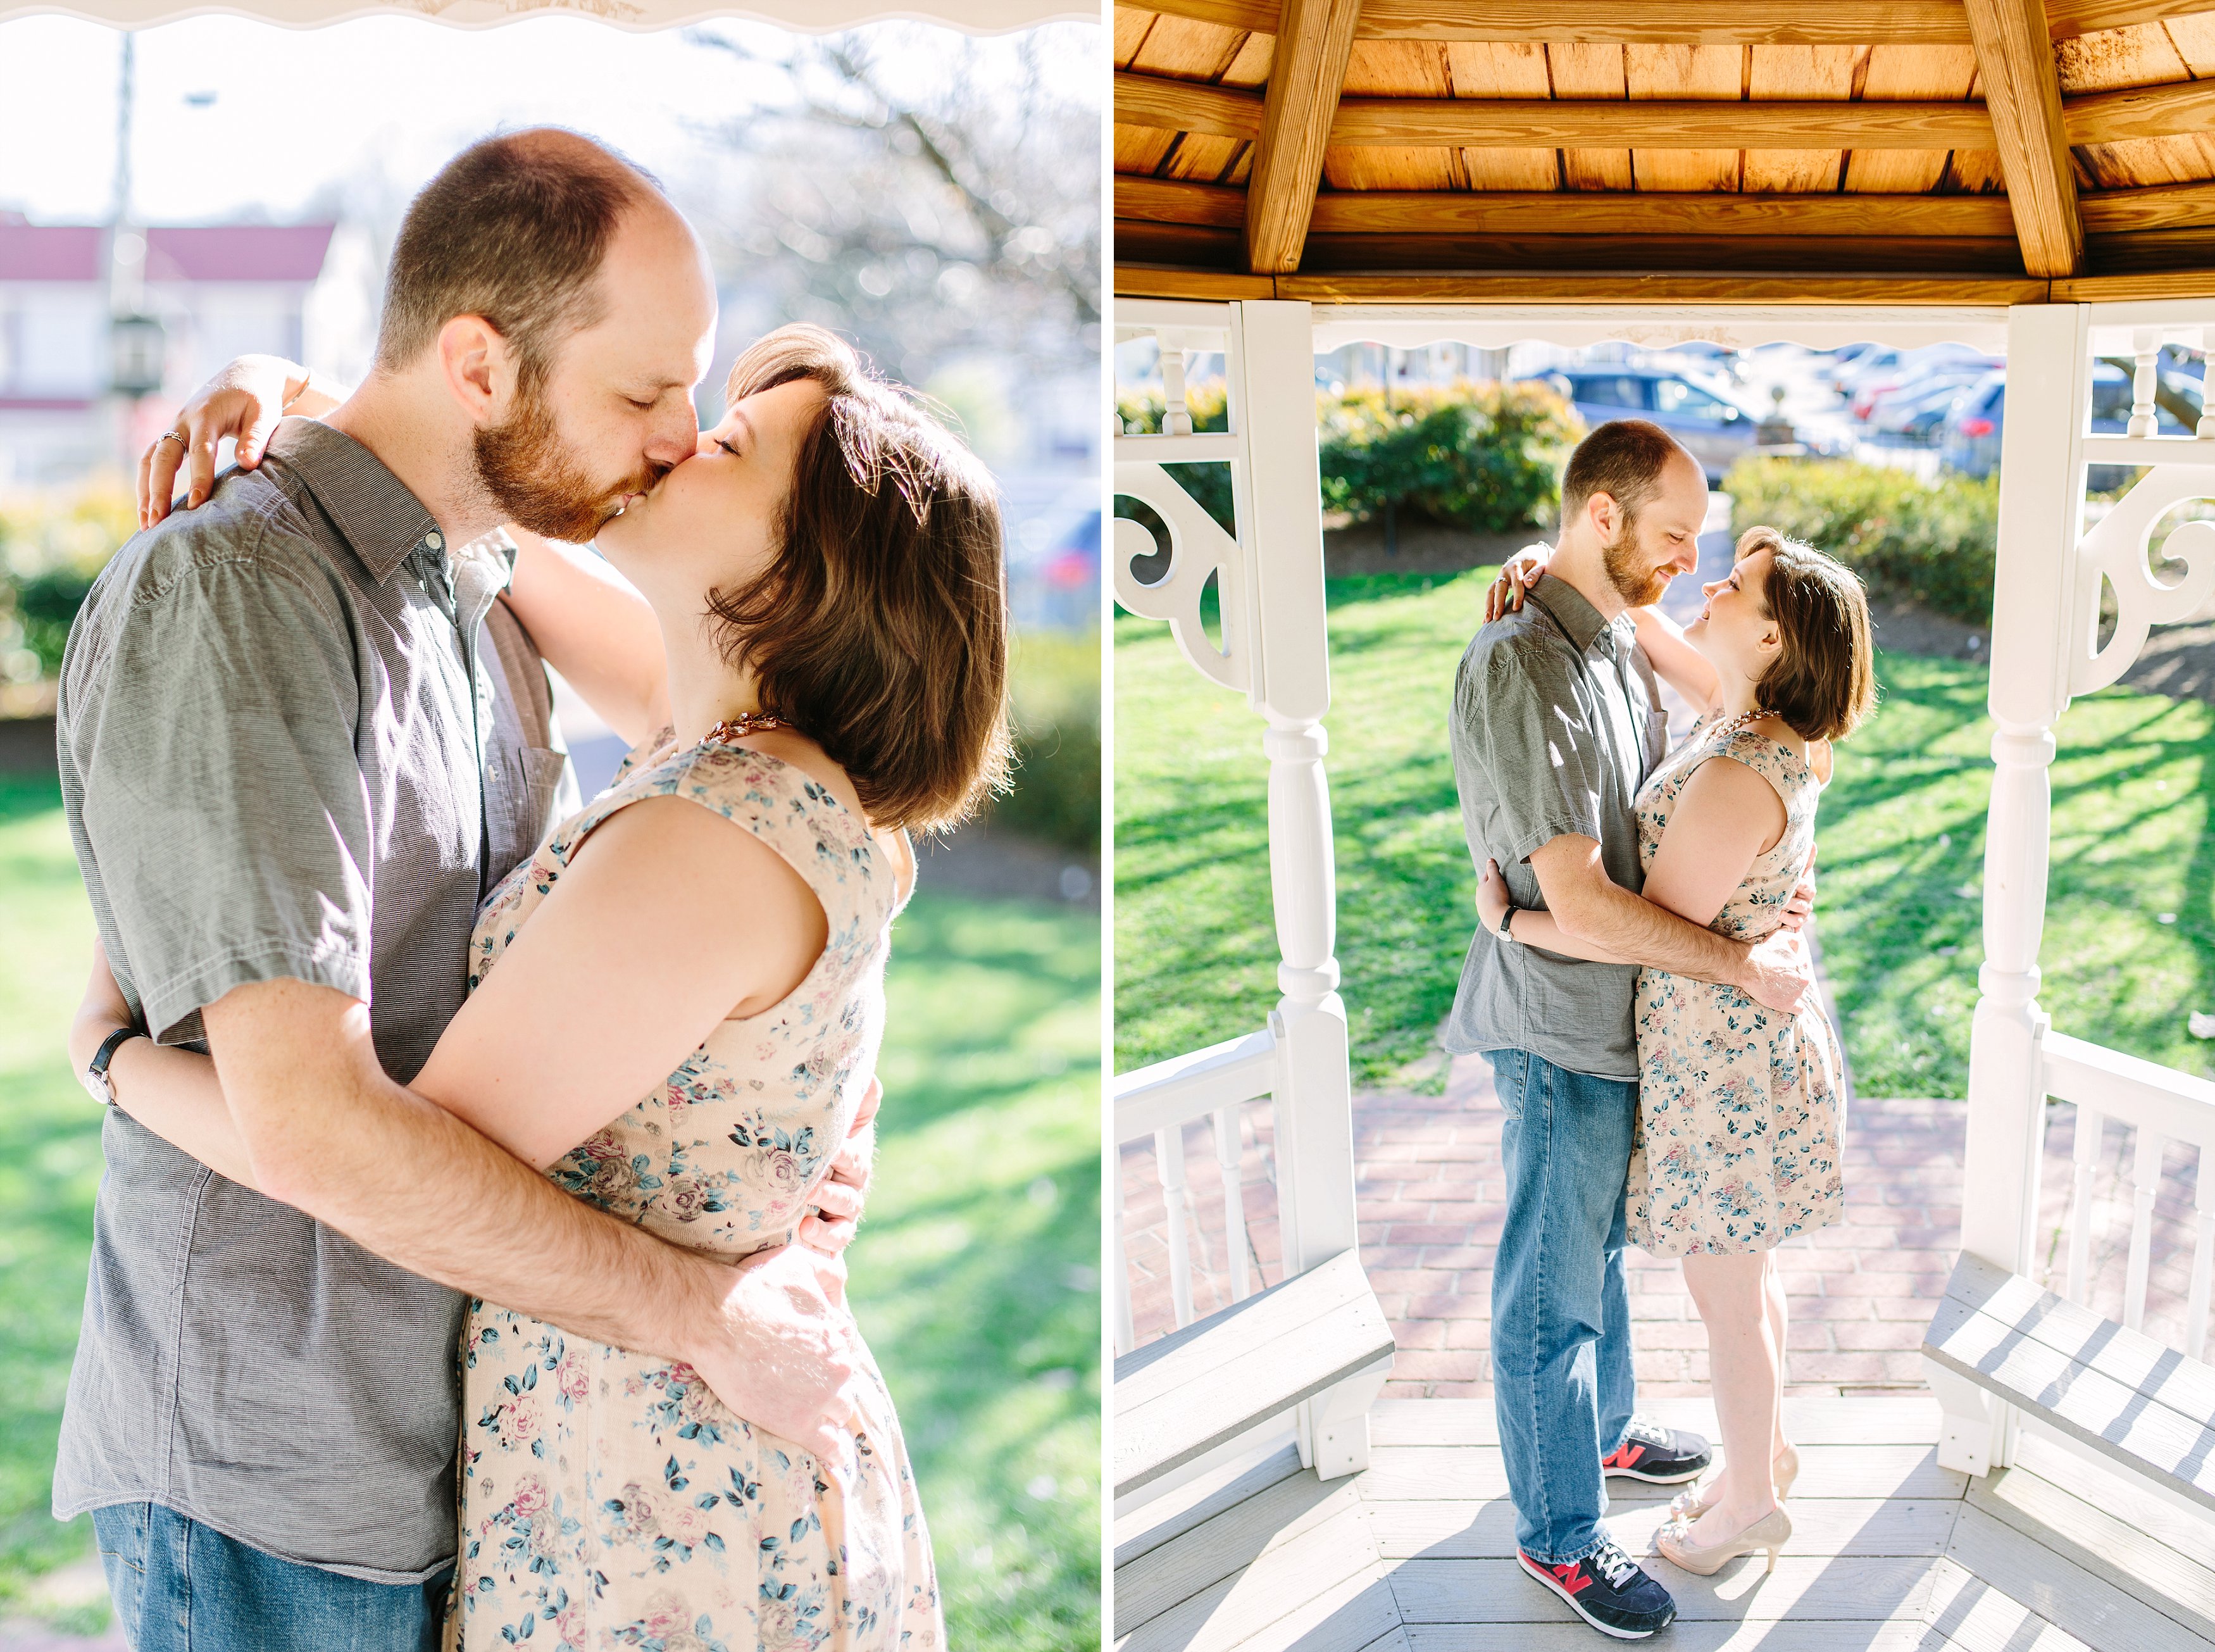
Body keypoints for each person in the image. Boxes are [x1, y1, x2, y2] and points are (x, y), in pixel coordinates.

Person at [54, 131, 881, 1650]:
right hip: (282, 1481)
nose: (672, 440)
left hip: (474, 1451)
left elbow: (760, 748)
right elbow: (311, 1120)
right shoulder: (239, 594)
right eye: (642, 395)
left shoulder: (480, 583)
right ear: (481, 367)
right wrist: (710, 1320)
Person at [1444, 418, 1816, 1640]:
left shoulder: (1607, 635)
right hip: (1558, 1026)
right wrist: (1735, 963)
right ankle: (1559, 1537)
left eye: (1703, 546)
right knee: (1549, 1297)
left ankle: (1600, 1434)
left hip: (1627, 1020)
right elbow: (1585, 901)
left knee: (1594, 1254)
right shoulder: (1524, 663)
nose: (1687, 563)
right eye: (1671, 536)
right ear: (1602, 519)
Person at [1479, 524, 1869, 1580]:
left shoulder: (1745, 768)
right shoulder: (1749, 713)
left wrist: (1512, 921)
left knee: (1726, 1299)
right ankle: (1769, 1451)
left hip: (1725, 1062)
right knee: (1751, 1278)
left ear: (1778, 635)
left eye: (1735, 586)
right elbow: (1652, 629)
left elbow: (1637, 925)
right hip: (1740, 1048)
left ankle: (1747, 1505)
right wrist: (1548, 561)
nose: (1708, 585)